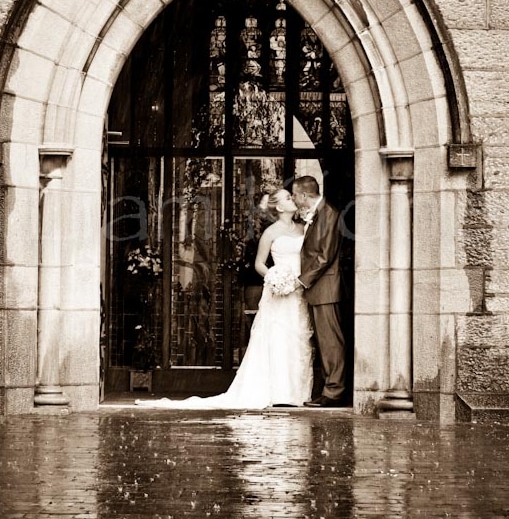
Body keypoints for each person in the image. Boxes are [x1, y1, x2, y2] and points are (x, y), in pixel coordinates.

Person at [135, 189, 314, 409]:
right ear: (278, 207)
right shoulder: (270, 233)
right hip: (279, 292)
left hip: (299, 291)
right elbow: (259, 263)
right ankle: (279, 393)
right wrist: (275, 277)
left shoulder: (303, 228)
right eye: (288, 197)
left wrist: (295, 281)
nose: (293, 199)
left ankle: (298, 393)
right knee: (277, 339)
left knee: (298, 339)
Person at [291, 175, 349, 408]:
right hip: (321, 289)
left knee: (331, 341)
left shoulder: (328, 214)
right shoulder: (319, 213)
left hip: (326, 288)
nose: (294, 200)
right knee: (326, 341)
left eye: (295, 195)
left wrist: (302, 281)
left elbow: (325, 255)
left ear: (304, 195)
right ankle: (329, 387)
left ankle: (334, 392)